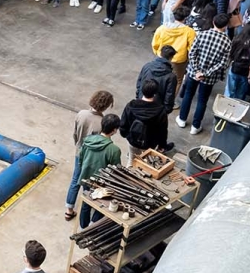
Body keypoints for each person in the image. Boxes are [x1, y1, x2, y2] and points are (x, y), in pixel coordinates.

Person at [176, 13, 232, 135]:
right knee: (202, 100)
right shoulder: (227, 42)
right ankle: (195, 126)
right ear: (225, 26)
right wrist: (206, 73)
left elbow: (192, 53)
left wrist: (196, 71)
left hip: (193, 73)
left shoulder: (202, 34)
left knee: (188, 95)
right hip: (209, 78)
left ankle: (182, 119)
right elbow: (223, 63)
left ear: (213, 22)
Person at [64, 90, 115, 221]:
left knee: (75, 180)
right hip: (91, 156)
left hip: (79, 151)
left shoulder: (81, 114)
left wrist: (78, 145)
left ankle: (69, 209)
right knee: (88, 183)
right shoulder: (102, 122)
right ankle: (87, 208)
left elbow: (75, 133)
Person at [77, 114, 122, 229]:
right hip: (102, 183)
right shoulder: (114, 150)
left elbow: (81, 159)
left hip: (86, 177)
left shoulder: (87, 141)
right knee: (102, 204)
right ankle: (94, 224)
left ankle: (83, 227)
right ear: (114, 130)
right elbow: (116, 171)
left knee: (86, 202)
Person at [120, 79, 174, 162]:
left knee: (132, 160)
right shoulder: (160, 110)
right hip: (150, 144)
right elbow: (162, 131)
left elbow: (123, 124)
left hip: (133, 141)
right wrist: (162, 145)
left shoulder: (131, 105)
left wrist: (127, 135)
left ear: (142, 90)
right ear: (155, 93)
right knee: (147, 164)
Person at [152, 6, 197, 98]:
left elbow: (154, 44)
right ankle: (170, 101)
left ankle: (155, 96)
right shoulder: (190, 32)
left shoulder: (162, 28)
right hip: (179, 60)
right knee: (177, 80)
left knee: (159, 77)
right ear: (186, 18)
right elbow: (191, 48)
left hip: (162, 56)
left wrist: (158, 53)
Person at [226, 14, 250, 99]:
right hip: (246, 71)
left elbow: (231, 53)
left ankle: (225, 108)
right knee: (240, 94)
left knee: (229, 91)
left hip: (235, 68)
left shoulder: (237, 39)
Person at [137, 45, 178, 114]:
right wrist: (166, 111)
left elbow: (139, 83)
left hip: (142, 102)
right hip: (157, 110)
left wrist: (139, 97)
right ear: (171, 58)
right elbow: (169, 96)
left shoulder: (147, 66)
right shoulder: (171, 77)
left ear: (160, 53)